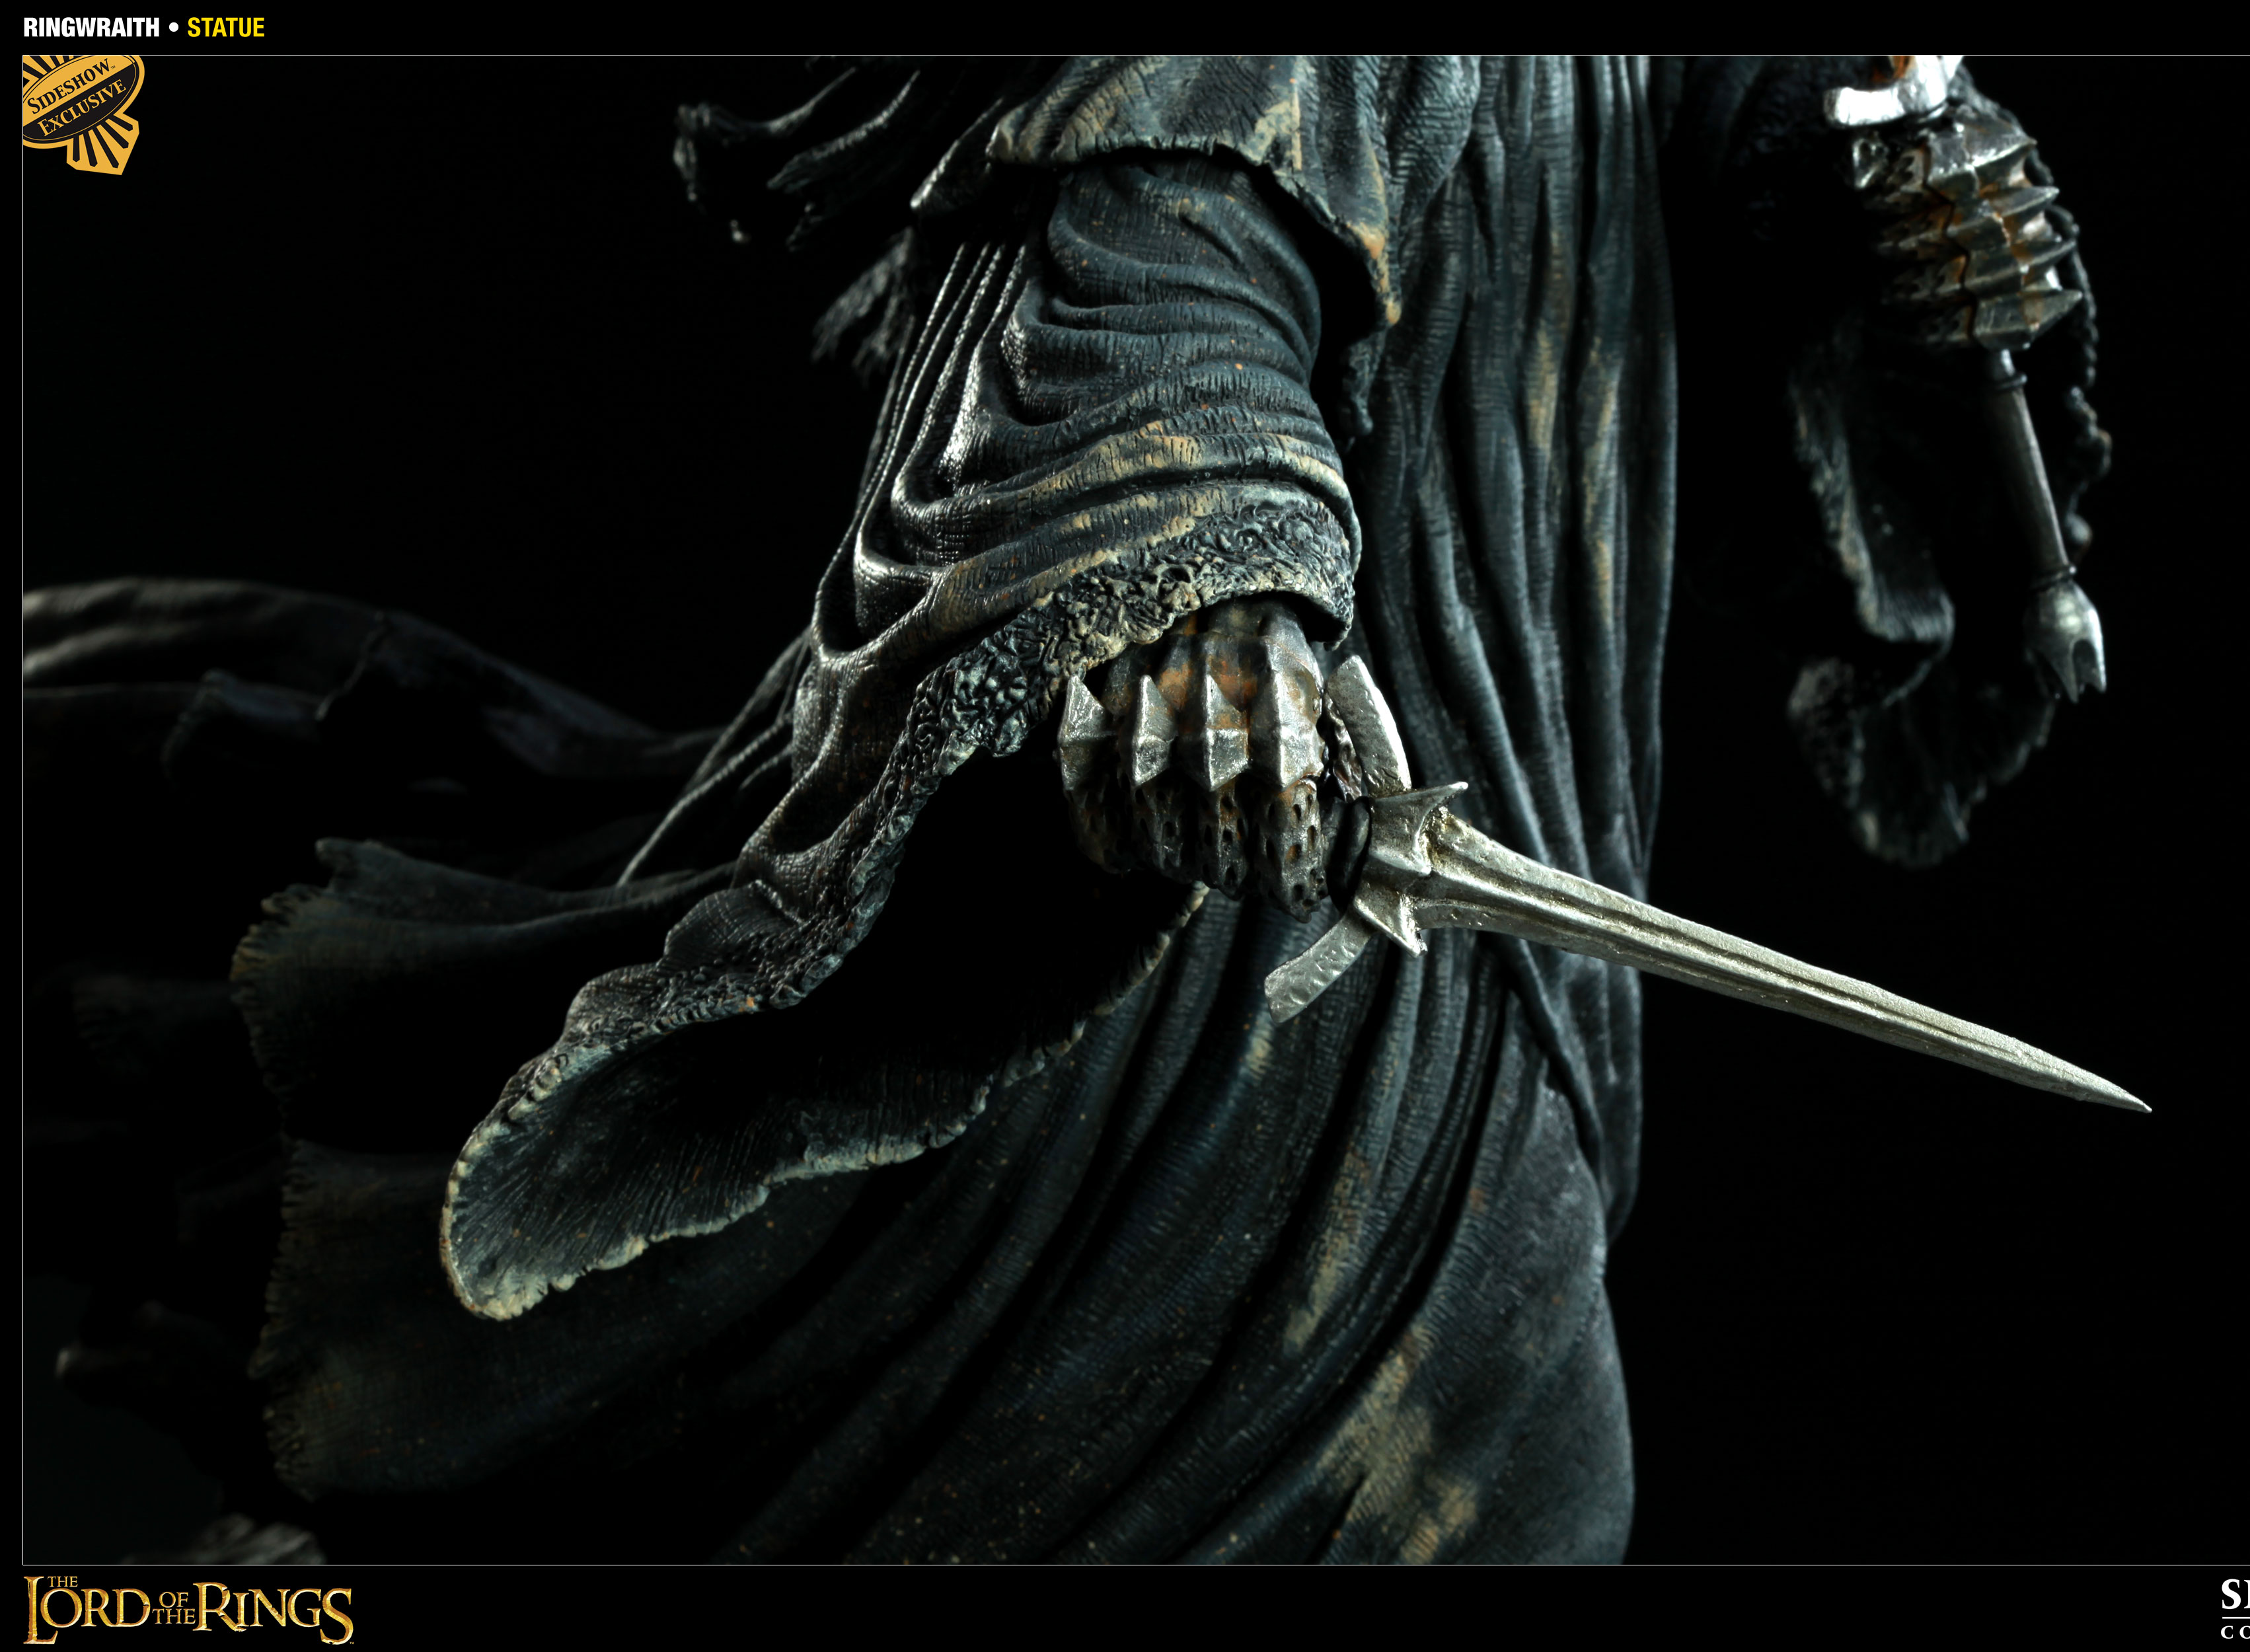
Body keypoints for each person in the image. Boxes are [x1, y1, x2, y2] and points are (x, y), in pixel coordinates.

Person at [23, 56, 2107, 1561]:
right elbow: (1155, 166)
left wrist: (1882, 208)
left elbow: (1716, 156)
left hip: (1502, 718)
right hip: (1237, 852)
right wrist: (1209, 570)